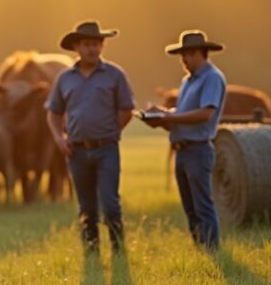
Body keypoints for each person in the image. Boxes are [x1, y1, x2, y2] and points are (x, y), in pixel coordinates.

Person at [45, 21, 136, 254]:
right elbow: (53, 112)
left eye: (96, 44)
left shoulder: (115, 75)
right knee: (86, 206)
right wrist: (59, 138)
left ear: (102, 46)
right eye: (87, 44)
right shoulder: (65, 78)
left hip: (106, 149)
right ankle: (91, 252)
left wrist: (111, 130)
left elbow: (127, 109)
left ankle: (118, 250)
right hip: (76, 151)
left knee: (110, 203)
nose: (92, 49)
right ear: (77, 47)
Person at [145, 30, 228, 250]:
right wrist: (161, 115)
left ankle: (211, 250)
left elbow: (206, 113)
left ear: (202, 53)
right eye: (182, 54)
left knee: (202, 206)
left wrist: (168, 117)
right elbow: (183, 113)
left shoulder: (212, 78)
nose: (184, 59)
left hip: (198, 150)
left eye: (189, 54)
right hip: (182, 150)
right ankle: (200, 249)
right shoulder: (187, 81)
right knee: (190, 208)